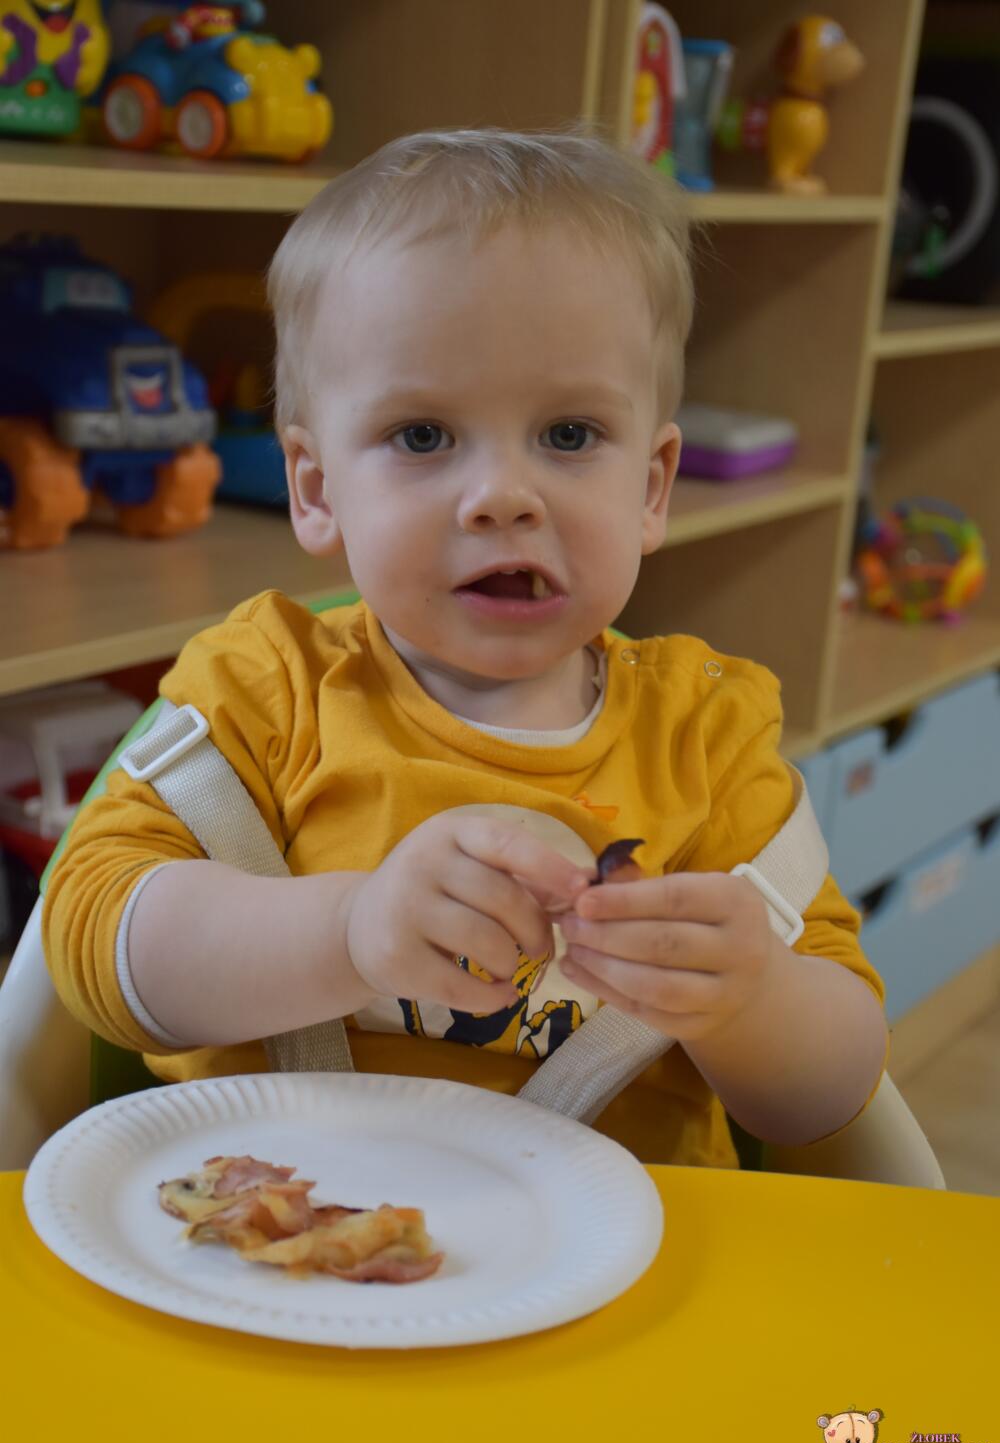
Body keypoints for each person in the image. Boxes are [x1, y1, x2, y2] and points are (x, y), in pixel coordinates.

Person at [43, 128, 888, 1168]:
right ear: (316, 488)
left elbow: (833, 1103)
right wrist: (346, 930)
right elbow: (85, 945)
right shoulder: (265, 691)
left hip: (624, 1257)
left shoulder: (705, 740)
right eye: (423, 436)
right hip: (270, 1227)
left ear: (651, 488)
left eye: (569, 435)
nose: (500, 496)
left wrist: (752, 1002)